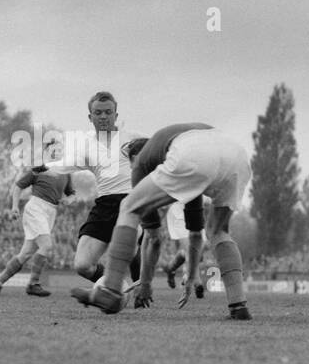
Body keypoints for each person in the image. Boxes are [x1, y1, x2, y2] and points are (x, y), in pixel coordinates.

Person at [72, 123, 252, 320]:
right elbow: (194, 233)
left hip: (195, 153)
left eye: (131, 167)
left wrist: (146, 284)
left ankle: (110, 290)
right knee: (219, 232)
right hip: (236, 155)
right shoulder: (179, 159)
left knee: (128, 207)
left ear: (133, 159)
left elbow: (153, 237)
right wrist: (191, 276)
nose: (133, 172)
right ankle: (238, 306)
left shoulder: (142, 162)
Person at [57, 91, 144, 284]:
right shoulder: (86, 147)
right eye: (98, 113)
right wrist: (39, 168)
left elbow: (162, 152)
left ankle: (139, 282)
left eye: (108, 112)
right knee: (82, 266)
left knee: (130, 244)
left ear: (116, 115)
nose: (103, 116)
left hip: (132, 202)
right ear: (90, 117)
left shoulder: (135, 139)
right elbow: (62, 165)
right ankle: (115, 287)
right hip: (105, 205)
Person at [0, 137, 74, 298]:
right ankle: (33, 284)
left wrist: (68, 200)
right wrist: (14, 207)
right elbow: (18, 186)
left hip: (51, 212)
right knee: (47, 246)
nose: (58, 152)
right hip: (36, 208)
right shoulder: (39, 169)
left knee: (26, 253)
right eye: (54, 150)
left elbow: (71, 194)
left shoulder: (66, 172)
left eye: (60, 150)